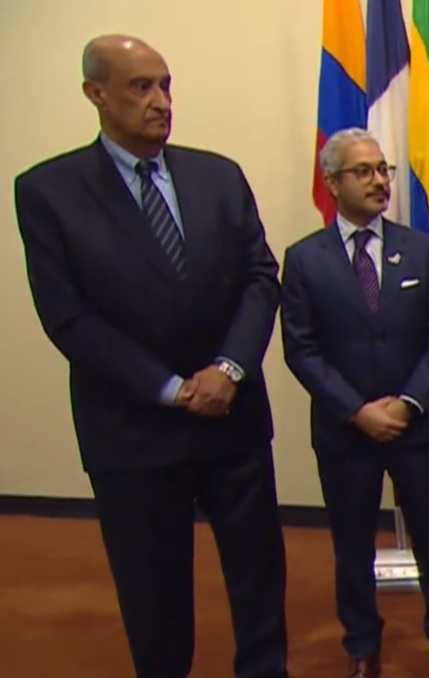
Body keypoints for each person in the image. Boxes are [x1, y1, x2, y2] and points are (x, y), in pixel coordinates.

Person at [12, 34, 289, 678]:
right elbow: (70, 318)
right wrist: (172, 388)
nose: (161, 101)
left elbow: (259, 277)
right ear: (96, 94)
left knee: (258, 578)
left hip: (233, 417)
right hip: (133, 430)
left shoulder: (218, 176)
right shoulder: (49, 192)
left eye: (165, 85)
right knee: (153, 594)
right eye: (141, 87)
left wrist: (228, 370)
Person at [279, 128, 429, 678]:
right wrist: (358, 410)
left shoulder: (420, 249)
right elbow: (301, 350)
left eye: (383, 170)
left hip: (417, 427)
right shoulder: (304, 260)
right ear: (331, 182)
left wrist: (409, 402)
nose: (378, 181)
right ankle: (362, 646)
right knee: (352, 546)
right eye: (362, 171)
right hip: (346, 431)